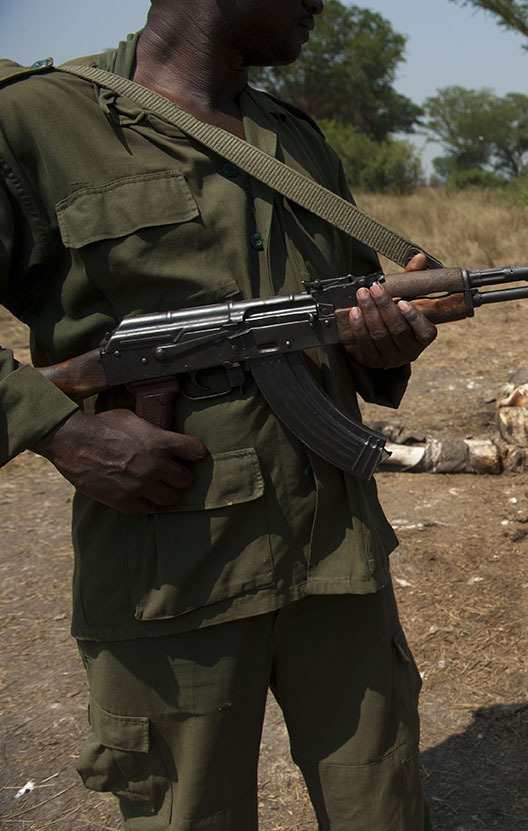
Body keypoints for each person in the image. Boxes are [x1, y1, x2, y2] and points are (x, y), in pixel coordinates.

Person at [0, 0, 435, 827]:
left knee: (382, 807)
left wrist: (382, 346)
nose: (322, 6)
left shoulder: (296, 143)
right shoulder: (34, 123)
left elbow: (341, 323)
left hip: (335, 558)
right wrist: (60, 430)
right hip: (169, 568)